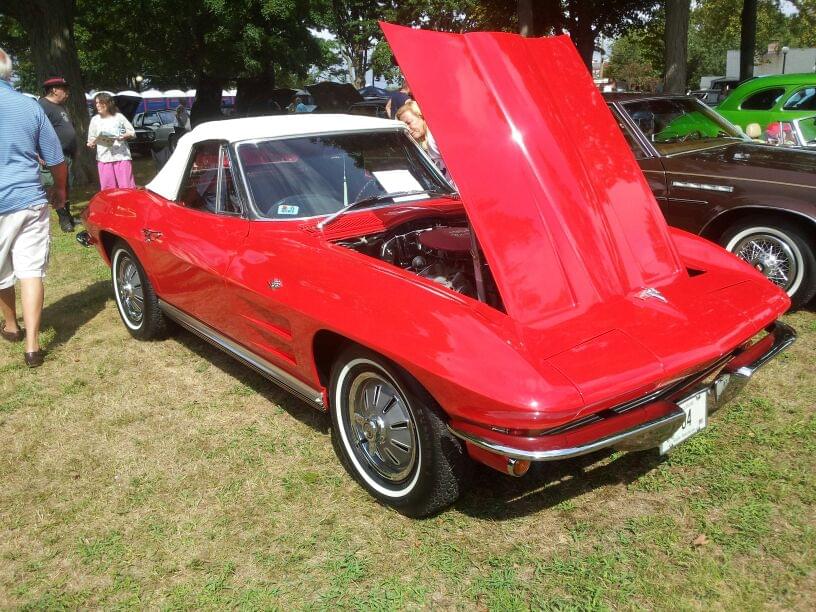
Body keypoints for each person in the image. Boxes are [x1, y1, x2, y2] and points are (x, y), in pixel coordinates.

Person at [0, 47, 68, 367]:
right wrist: (62, 190)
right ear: (9, 73)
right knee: (30, 271)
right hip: (29, 199)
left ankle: (12, 326)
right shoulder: (29, 106)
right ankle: (32, 346)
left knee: (2, 272)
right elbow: (55, 158)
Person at [38, 76, 77, 232]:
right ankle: (63, 219)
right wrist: (37, 153)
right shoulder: (42, 106)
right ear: (54, 90)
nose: (67, 93)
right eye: (64, 89)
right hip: (52, 156)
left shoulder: (61, 106)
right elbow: (34, 130)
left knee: (67, 186)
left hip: (67, 154)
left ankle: (67, 214)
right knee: (56, 187)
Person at [395, 100, 454, 186]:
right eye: (404, 126)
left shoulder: (434, 139)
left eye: (409, 123)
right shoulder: (427, 140)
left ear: (421, 116)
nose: (407, 128)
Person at [87, 93, 136, 190]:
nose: (98, 105)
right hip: (104, 158)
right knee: (108, 190)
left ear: (108, 103)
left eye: (100, 102)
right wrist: (91, 143)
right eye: (96, 103)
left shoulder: (119, 117)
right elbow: (91, 139)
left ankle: (127, 205)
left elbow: (131, 132)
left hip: (121, 157)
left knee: (127, 188)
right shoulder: (95, 120)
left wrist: (123, 136)